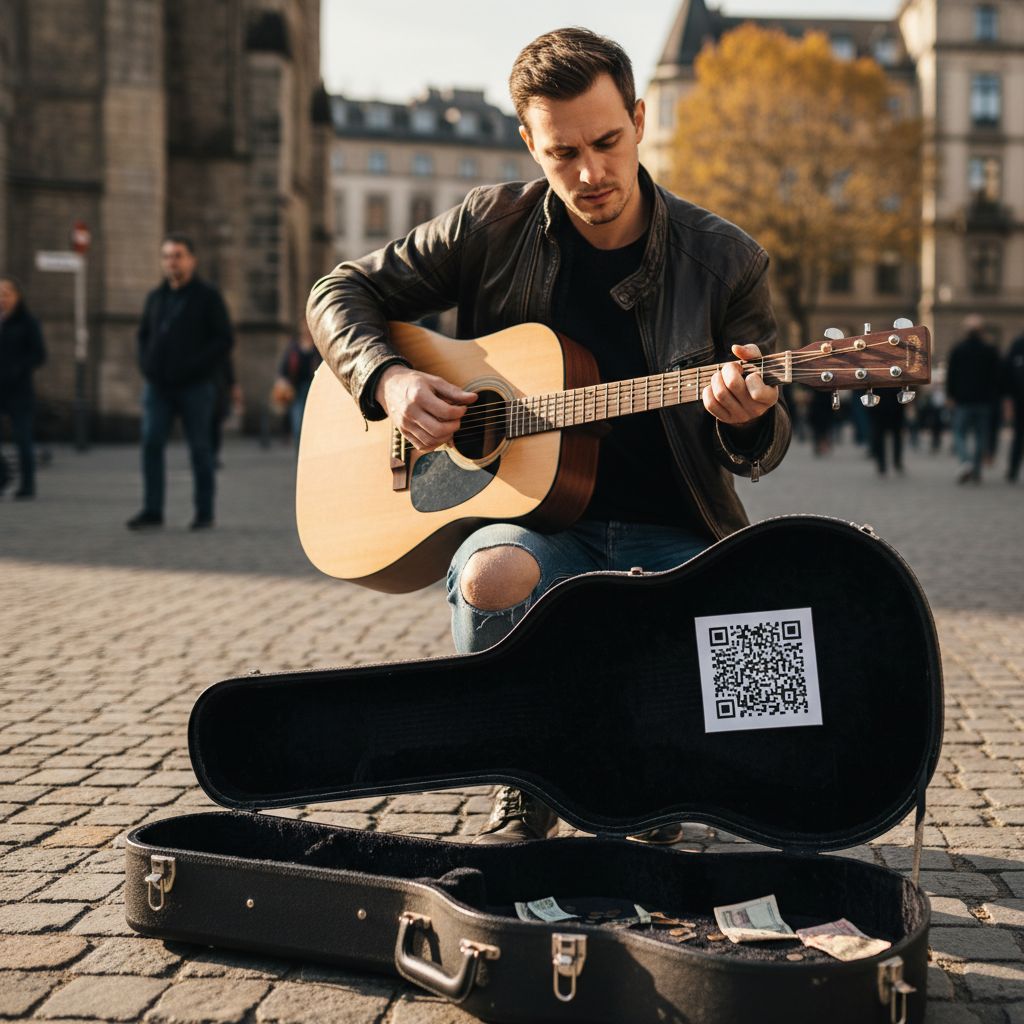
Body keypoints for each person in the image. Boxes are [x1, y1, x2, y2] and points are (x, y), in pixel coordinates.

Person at [307, 28, 791, 844]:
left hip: (676, 530)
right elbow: (337, 290)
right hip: (537, 528)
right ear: (530, 143)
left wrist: (750, 419)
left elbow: (765, 445)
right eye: (564, 152)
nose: (591, 173)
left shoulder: (725, 260)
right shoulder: (489, 226)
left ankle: (657, 770)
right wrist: (389, 381)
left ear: (639, 121)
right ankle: (524, 770)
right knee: (491, 574)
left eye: (607, 142)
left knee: (759, 637)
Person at [127, 233, 233, 530]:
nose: (171, 262)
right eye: (167, 256)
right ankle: (152, 510)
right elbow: (143, 335)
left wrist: (196, 367)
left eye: (177, 256)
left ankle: (204, 513)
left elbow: (224, 339)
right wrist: (146, 365)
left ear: (191, 260)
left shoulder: (208, 296)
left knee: (200, 449)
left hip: (195, 386)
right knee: (151, 443)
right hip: (158, 386)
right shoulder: (156, 297)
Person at [0, 277, 46, 499]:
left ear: (17, 296)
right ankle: (2, 477)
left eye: (6, 293)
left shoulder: (28, 322)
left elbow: (39, 354)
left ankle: (27, 485)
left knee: (22, 438)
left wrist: (18, 369)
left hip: (19, 390)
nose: (2, 298)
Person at [946, 314, 999, 484]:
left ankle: (965, 461)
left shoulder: (958, 349)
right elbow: (996, 377)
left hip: (963, 400)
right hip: (984, 401)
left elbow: (951, 375)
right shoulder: (990, 350)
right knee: (981, 436)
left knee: (959, 433)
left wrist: (950, 395)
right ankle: (976, 471)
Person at [274, 322, 321, 448]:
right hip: (297, 391)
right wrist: (282, 382)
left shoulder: (318, 348)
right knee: (298, 425)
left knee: (314, 425)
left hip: (315, 391)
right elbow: (284, 369)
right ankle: (299, 452)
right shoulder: (294, 348)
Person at [1004, 330, 1024, 483]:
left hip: (1018, 398)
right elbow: (1008, 373)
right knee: (1018, 437)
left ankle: (1012, 469)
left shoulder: (1017, 344)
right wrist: (1008, 400)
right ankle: (1012, 469)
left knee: (1018, 437)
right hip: (1019, 400)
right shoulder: (1018, 345)